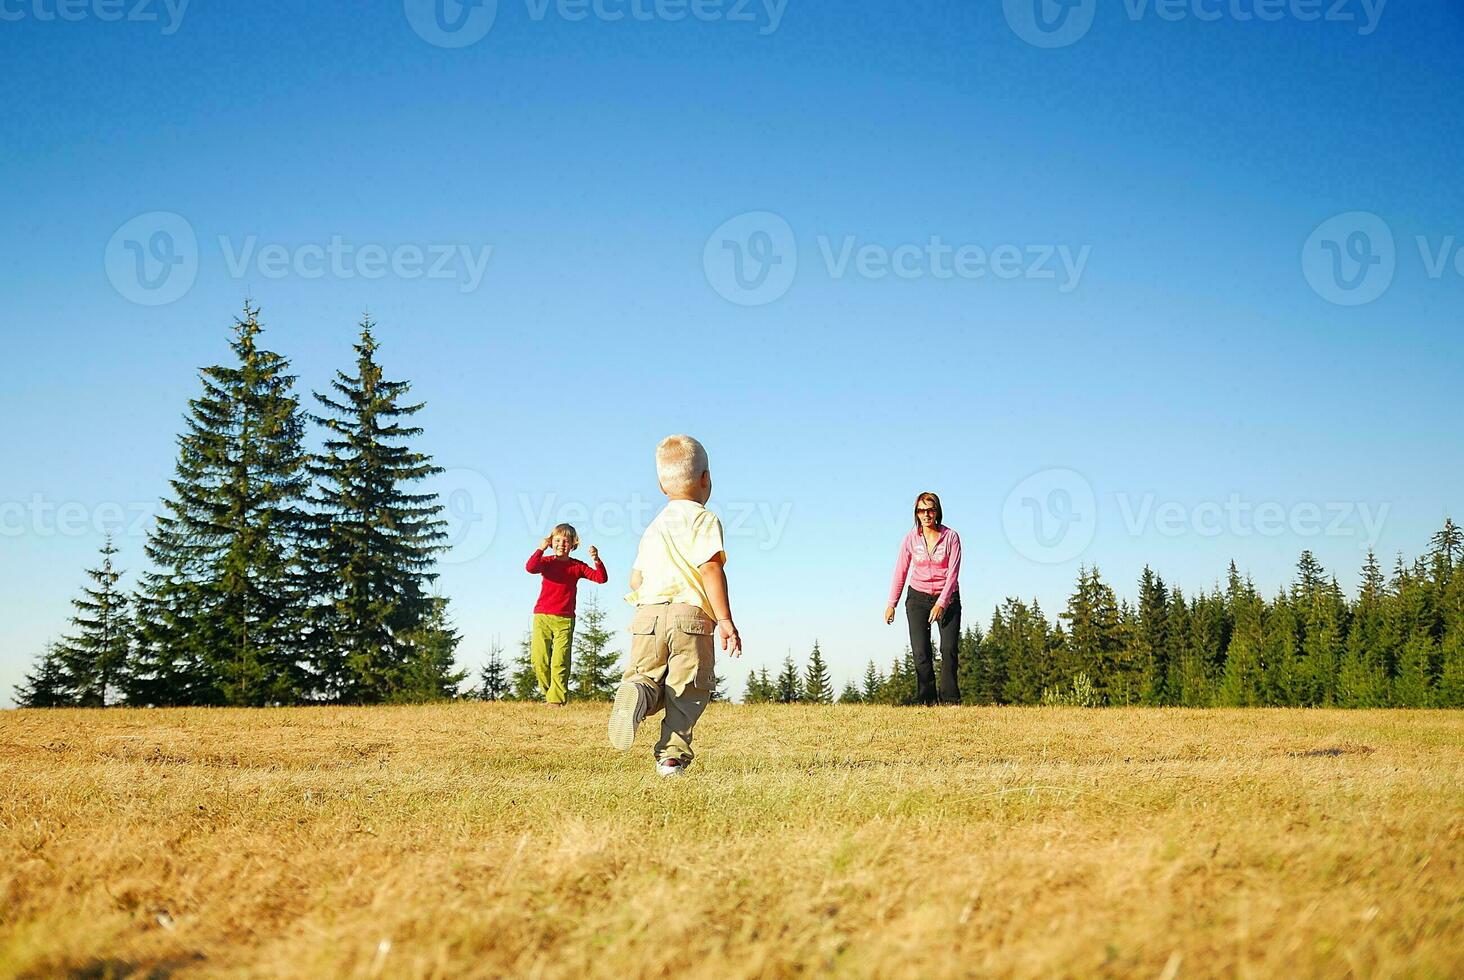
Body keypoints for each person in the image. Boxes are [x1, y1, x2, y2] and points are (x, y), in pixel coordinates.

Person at [608, 434, 742, 777]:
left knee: (647, 678)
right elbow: (710, 567)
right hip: (690, 617)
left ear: (661, 485)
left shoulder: (653, 528)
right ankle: (671, 759)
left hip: (648, 616)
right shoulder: (704, 519)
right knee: (686, 691)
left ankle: (636, 692)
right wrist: (725, 619)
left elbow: (635, 580)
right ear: (705, 479)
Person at [885, 491, 962, 705]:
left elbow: (953, 574)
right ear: (916, 513)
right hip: (917, 598)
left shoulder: (951, 537)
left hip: (948, 598)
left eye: (930, 510)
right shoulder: (910, 539)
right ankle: (926, 699)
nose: (926, 514)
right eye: (921, 510)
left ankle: (949, 699)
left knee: (948, 649)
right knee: (920, 650)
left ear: (937, 512)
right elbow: (900, 571)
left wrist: (941, 603)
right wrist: (892, 604)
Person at [526, 523, 608, 706]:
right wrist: (540, 548)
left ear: (573, 544)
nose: (561, 544)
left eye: (566, 541)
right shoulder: (546, 562)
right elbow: (530, 568)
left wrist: (596, 559)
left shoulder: (577, 566)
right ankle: (550, 694)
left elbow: (601, 578)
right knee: (539, 660)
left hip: (565, 619)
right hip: (542, 617)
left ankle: (556, 700)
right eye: (557, 540)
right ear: (551, 542)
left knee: (560, 660)